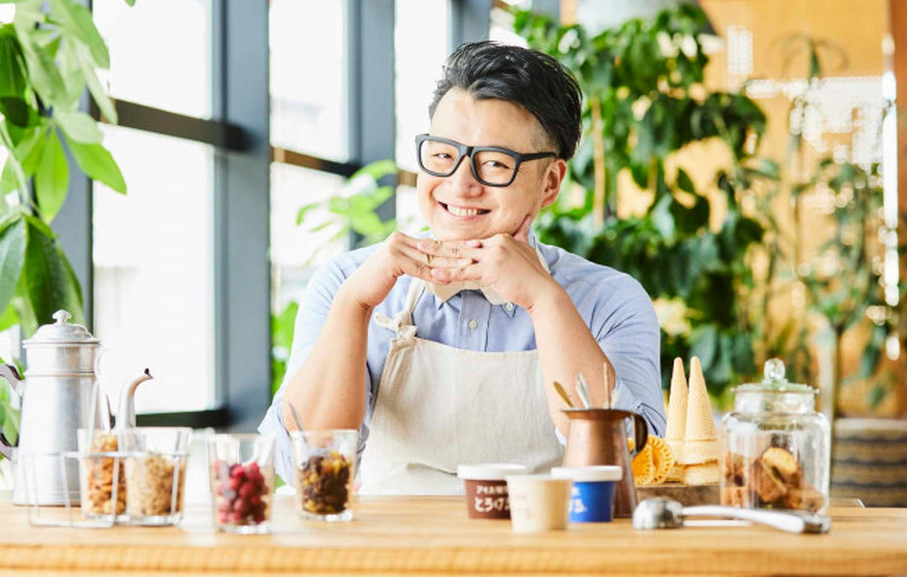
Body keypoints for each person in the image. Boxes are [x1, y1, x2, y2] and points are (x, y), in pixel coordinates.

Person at [259, 41, 664, 494]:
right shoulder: (347, 283)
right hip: (387, 558)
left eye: (493, 163)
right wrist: (354, 306)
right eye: (442, 156)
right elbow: (300, 469)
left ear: (549, 182)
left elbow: (637, 466)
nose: (460, 184)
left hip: (547, 558)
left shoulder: (609, 299)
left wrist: (545, 300)